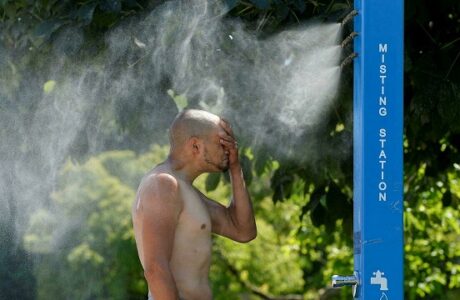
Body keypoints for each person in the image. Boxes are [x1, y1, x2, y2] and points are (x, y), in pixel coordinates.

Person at [132, 109, 257, 300]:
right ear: (196, 145)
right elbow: (155, 269)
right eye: (221, 142)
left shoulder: (186, 192)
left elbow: (243, 230)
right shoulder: (163, 184)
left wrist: (235, 166)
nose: (228, 148)